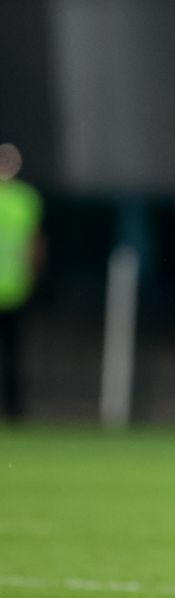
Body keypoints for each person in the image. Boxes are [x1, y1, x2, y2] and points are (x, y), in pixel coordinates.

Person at [0, 143, 43, 421]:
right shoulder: (26, 197)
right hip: (15, 287)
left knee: (12, 354)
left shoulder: (26, 198)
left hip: (15, 290)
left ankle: (14, 409)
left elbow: (35, 243)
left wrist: (34, 276)